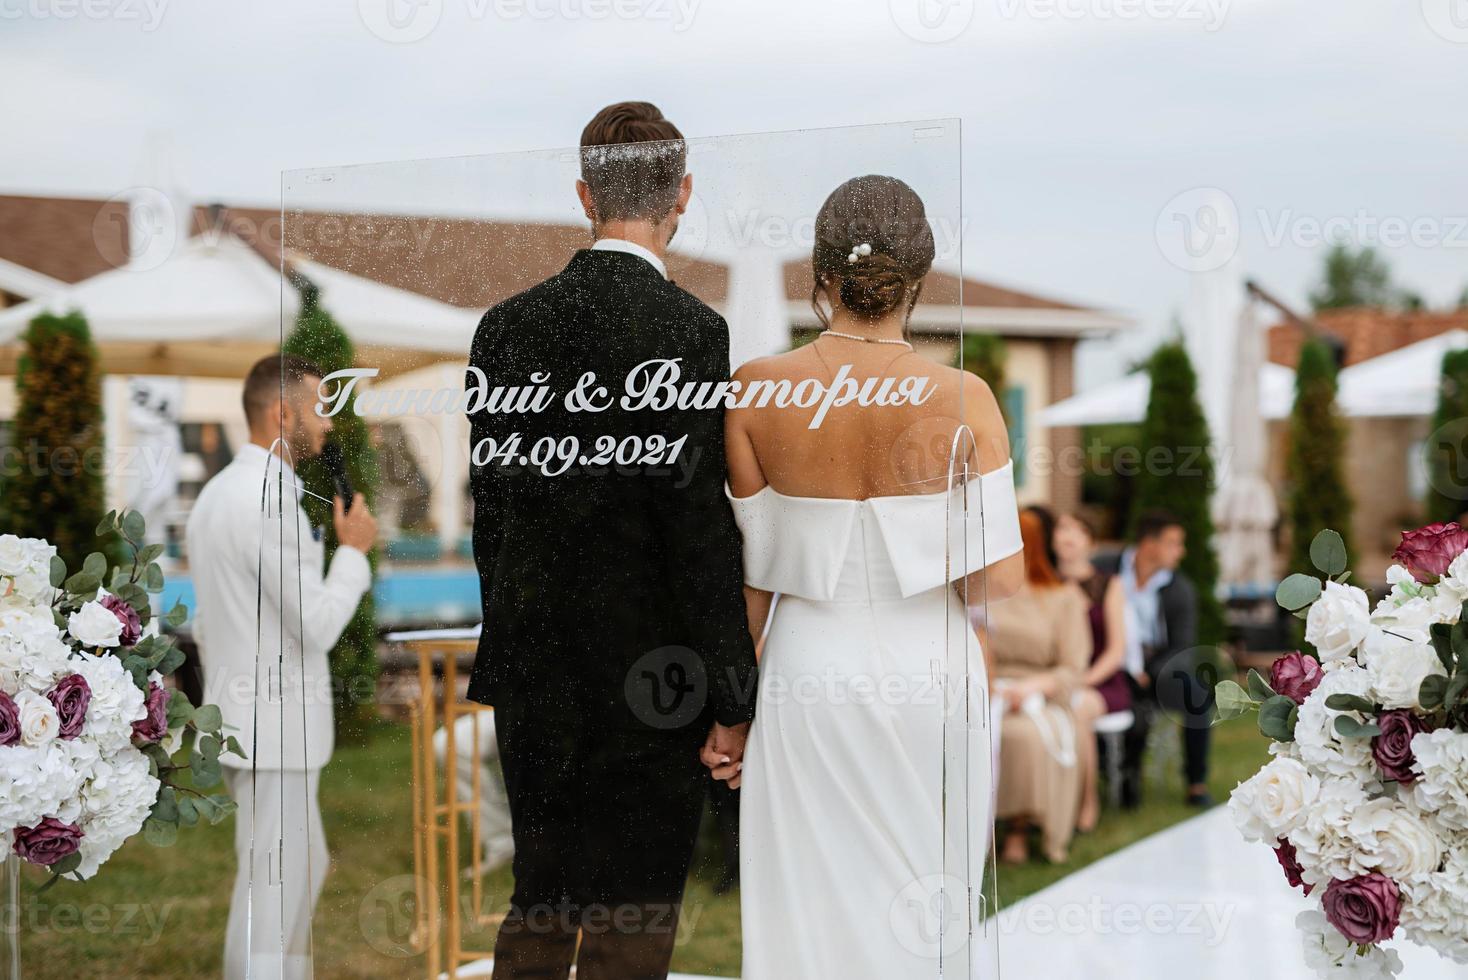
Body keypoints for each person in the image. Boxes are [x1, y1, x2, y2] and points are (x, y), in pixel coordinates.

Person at [465, 101, 758, 980]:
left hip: (537, 664)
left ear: (585, 194)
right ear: (684, 194)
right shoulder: (691, 334)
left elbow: (494, 517)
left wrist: (517, 632)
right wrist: (733, 687)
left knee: (542, 898)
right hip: (651, 675)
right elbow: (697, 529)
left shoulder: (505, 328)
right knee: (635, 911)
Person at [726, 175, 1025, 978]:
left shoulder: (755, 389)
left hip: (806, 668)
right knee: (929, 895)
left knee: (808, 899)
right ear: (919, 278)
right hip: (934, 664)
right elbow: (999, 583)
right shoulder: (965, 397)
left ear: (819, 274)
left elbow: (751, 581)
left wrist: (731, 711)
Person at [186, 353, 377, 980]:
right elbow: (318, 624)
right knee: (272, 894)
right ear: (281, 412)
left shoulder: (217, 495)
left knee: (299, 869)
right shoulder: (267, 499)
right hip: (275, 731)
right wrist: (352, 555)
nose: (326, 425)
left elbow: (211, 624)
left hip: (248, 724)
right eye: (319, 408)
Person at [988, 509, 1093, 864]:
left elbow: (1072, 666)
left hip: (1039, 697)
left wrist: (1035, 686)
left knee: (1023, 738)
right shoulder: (985, 594)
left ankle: (1018, 828)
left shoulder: (1062, 598)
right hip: (987, 691)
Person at [1096, 509, 1212, 808]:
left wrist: (1150, 671)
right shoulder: (1104, 570)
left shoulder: (1180, 589)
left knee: (1196, 694)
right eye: (1174, 543)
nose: (1181, 551)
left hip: (1156, 667)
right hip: (1109, 663)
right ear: (1150, 544)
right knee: (1119, 703)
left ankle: (1196, 783)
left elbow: (1183, 646)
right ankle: (1117, 775)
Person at [1051, 510, 1129, 833]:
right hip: (1055, 677)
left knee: (1079, 709)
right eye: (1062, 528)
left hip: (1100, 681)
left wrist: (1081, 680)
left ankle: (1086, 800)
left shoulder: (1108, 584)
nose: (1068, 536)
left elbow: (1116, 651)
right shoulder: (1046, 581)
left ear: (1091, 544)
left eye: (1078, 530)